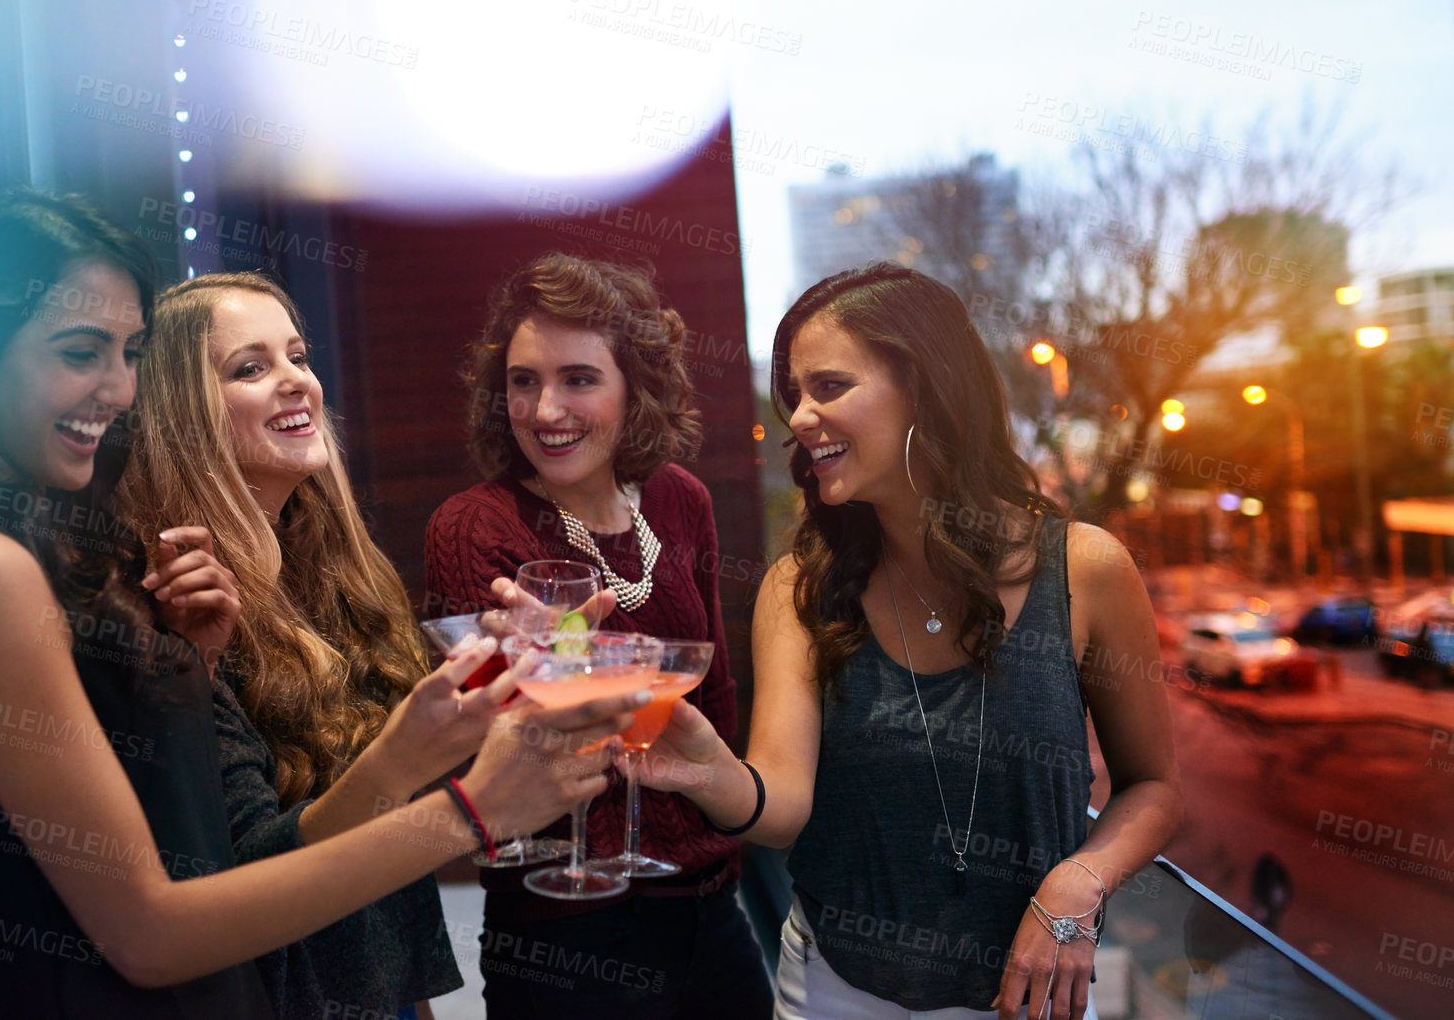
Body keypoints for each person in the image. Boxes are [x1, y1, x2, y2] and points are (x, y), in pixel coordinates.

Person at [0, 187, 643, 1019]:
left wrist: (186, 664)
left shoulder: (62, 557)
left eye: (128, 354)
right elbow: (150, 932)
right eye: (78, 351)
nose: (117, 389)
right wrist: (471, 815)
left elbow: (181, 836)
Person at [633, 262, 1184, 1020]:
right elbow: (782, 804)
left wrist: (1077, 885)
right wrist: (703, 772)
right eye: (794, 396)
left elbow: (1152, 786)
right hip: (834, 991)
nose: (797, 418)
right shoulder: (798, 588)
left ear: (924, 385)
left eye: (828, 387)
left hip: (1034, 995)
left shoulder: (1084, 568)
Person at [124, 271, 515, 1019]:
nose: (294, 382)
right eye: (251, 367)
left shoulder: (334, 570)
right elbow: (242, 876)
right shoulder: (177, 598)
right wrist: (409, 763)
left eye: (297, 356)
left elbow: (381, 862)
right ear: (182, 412)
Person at [425, 253, 773, 1020]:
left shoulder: (680, 498)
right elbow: (477, 745)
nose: (545, 409)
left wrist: (722, 842)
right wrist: (542, 671)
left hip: (711, 909)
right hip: (564, 927)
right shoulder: (474, 524)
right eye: (522, 381)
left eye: (578, 378)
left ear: (635, 388)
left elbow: (709, 692)